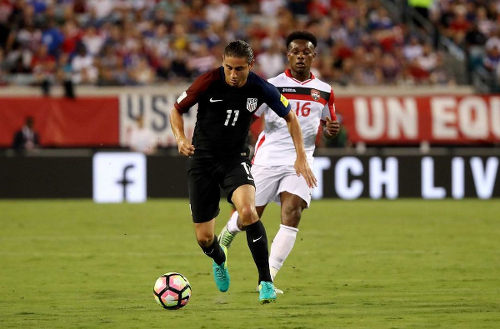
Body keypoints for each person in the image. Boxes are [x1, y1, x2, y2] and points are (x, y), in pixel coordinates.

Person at [169, 40, 316, 304]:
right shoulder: (207, 81)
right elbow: (177, 110)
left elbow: (290, 117)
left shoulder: (260, 87)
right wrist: (180, 138)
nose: (233, 75)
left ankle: (265, 282)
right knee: (204, 239)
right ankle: (219, 258)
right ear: (222, 64)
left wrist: (301, 156)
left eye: (239, 69)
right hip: (201, 161)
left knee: (248, 212)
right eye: (228, 68)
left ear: (250, 66)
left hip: (235, 159)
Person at [218, 31, 340, 293]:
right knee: (249, 216)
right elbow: (250, 115)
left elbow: (329, 122)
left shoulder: (325, 91)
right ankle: (227, 233)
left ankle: (268, 279)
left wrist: (332, 129)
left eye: (305, 52)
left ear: (313, 55)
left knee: (292, 211)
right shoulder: (270, 85)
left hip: (301, 160)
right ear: (288, 55)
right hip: (268, 157)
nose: (300, 57)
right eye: (295, 52)